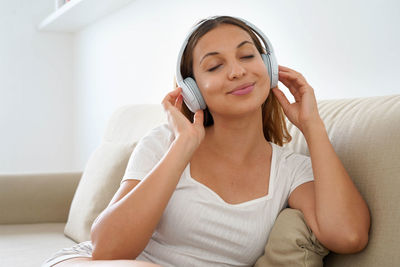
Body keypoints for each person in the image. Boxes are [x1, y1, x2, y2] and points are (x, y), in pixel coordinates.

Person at [43, 15, 370, 267]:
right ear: (192, 90)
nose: (237, 72)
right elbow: (107, 250)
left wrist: (312, 128)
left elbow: (349, 235)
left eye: (247, 56)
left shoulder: (290, 170)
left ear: (269, 67)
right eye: (215, 66)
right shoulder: (163, 143)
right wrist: (183, 146)